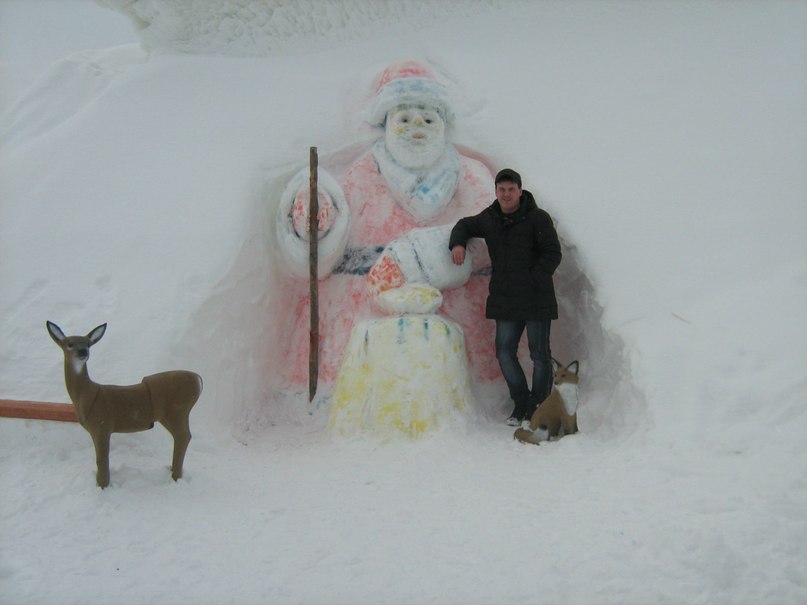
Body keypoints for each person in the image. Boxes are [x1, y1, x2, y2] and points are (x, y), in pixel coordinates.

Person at [449, 168, 562, 425]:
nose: (507, 194)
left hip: (536, 298)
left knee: (539, 355)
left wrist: (534, 278)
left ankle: (538, 406)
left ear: (520, 191)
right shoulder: (490, 218)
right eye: (502, 190)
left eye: (512, 189)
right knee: (504, 352)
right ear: (496, 192)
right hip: (506, 299)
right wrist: (457, 243)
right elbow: (464, 225)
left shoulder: (538, 219)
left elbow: (552, 254)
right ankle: (521, 402)